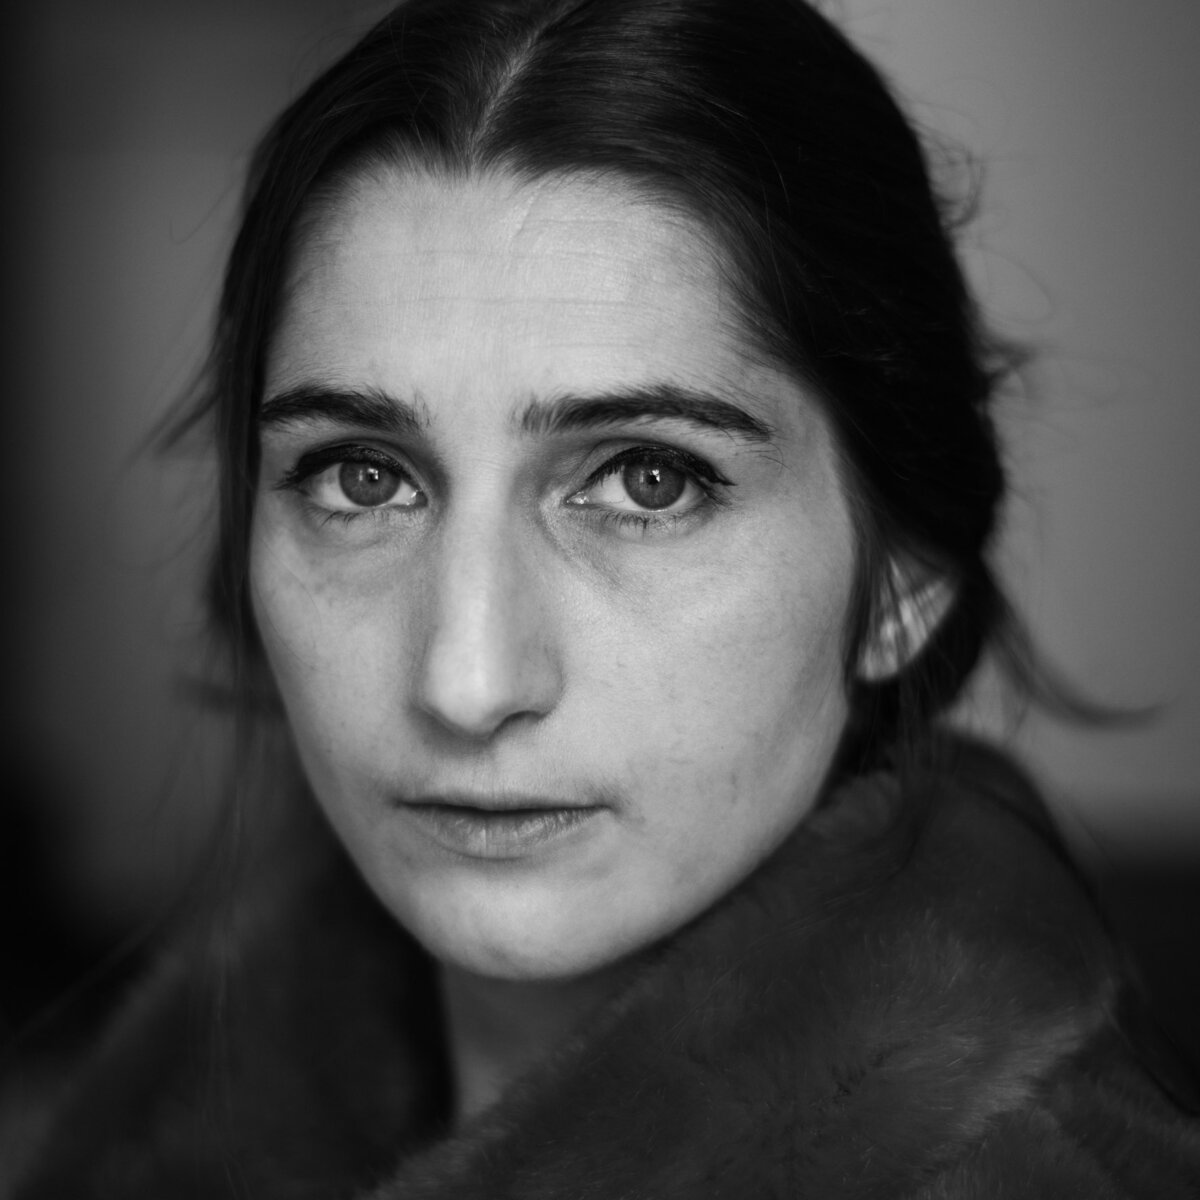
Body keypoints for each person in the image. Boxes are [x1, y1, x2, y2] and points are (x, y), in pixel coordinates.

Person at [5, 0, 1199, 1194]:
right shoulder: (142, 1143)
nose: (467, 681)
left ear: (902, 581)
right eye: (363, 478)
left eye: (647, 480)